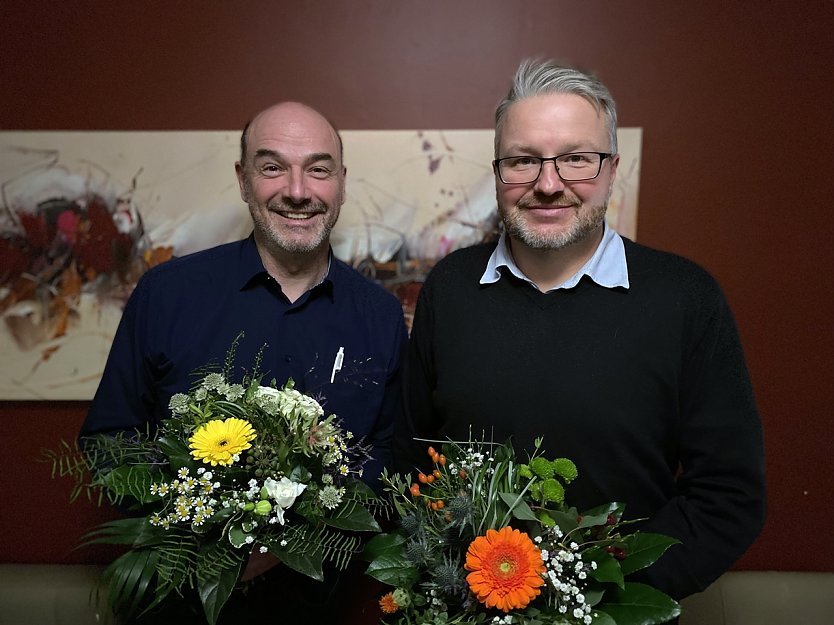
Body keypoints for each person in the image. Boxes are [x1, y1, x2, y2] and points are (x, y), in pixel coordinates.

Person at [396, 59, 766, 604]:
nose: (548, 185)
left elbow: (729, 496)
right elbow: (410, 461)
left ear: (612, 169)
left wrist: (603, 600)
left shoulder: (686, 297)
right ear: (499, 172)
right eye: (523, 161)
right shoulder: (450, 288)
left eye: (575, 159)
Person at [81, 101, 408, 622]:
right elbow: (110, 438)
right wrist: (202, 531)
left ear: (341, 183)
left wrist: (299, 534)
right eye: (272, 166)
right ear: (242, 179)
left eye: (318, 169)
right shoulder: (167, 294)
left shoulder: (381, 315)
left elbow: (391, 456)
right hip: (178, 607)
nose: (297, 191)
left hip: (322, 610)